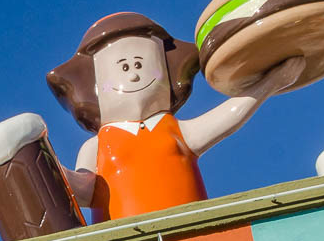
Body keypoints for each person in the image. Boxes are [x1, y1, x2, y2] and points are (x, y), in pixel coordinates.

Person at [45, 12, 300, 222]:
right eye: (124, 67)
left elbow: (228, 118)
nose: (133, 75)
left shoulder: (175, 130)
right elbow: (84, 191)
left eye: (140, 64)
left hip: (191, 229)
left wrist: (270, 83)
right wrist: (44, 163)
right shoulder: (96, 146)